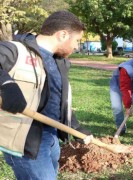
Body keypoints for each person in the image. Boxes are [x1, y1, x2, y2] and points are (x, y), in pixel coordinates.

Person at [0, 11, 92, 179]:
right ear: (63, 34)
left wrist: (76, 127)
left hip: (51, 138)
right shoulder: (15, 50)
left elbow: (59, 98)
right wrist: (6, 84)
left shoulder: (60, 61)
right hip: (27, 144)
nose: (77, 46)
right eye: (77, 41)